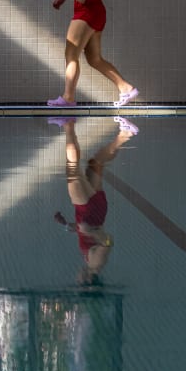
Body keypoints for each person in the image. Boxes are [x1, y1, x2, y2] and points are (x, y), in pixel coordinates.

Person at [52, 116, 138, 285]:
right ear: (87, 280)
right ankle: (67, 122)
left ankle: (126, 134)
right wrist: (89, 231)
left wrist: (67, 226)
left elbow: (88, 237)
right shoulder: (95, 265)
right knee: (72, 168)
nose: (76, 278)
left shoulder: (89, 262)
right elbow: (107, 243)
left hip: (96, 211)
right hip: (88, 211)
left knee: (95, 163)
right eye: (78, 281)